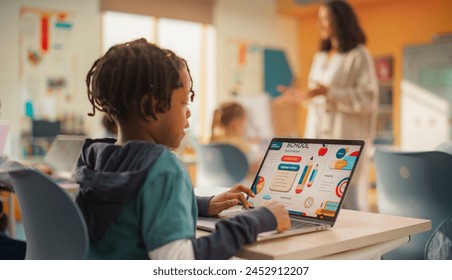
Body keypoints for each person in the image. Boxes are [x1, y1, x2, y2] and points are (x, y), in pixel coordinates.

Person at [76, 38, 290, 260]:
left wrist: (202, 204)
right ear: (148, 106)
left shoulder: (97, 157)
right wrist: (256, 220)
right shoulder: (162, 168)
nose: (188, 112)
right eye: (184, 102)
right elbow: (178, 262)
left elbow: (135, 206)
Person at [277, 0, 379, 211]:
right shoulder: (320, 57)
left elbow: (367, 99)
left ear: (340, 21)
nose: (320, 24)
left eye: (325, 19)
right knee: (316, 201)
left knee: (347, 203)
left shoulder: (358, 55)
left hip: (344, 140)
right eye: (319, 19)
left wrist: (329, 92)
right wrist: (302, 97)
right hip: (317, 141)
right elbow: (318, 100)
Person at [210, 101, 261, 174]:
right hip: (240, 183)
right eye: (244, 122)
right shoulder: (240, 144)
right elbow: (255, 166)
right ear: (236, 124)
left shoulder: (214, 142)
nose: (245, 126)